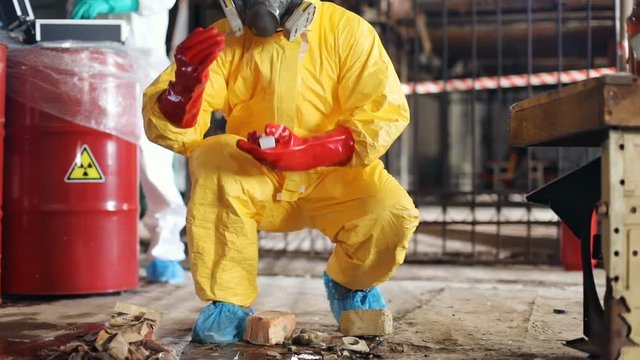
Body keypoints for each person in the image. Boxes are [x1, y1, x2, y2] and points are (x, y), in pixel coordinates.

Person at [142, 0, 421, 343]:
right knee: (212, 155)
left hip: (330, 175)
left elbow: (383, 112)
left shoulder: (347, 31)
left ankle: (351, 283)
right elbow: (176, 133)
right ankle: (228, 301)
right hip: (253, 175)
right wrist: (181, 92)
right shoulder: (223, 38)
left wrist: (309, 151)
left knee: (389, 211)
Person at [69, 0, 188, 284]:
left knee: (154, 164)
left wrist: (112, 2)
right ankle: (96, 246)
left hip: (144, 71)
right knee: (96, 159)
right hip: (97, 69)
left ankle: (166, 251)